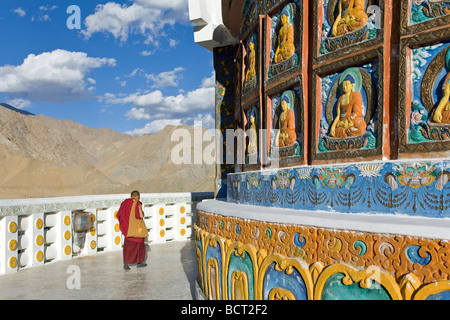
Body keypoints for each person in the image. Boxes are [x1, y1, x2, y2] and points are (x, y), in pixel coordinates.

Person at [117, 190, 147, 270]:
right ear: (137, 196)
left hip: (127, 229)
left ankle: (126, 264)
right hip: (136, 229)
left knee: (128, 246)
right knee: (139, 245)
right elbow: (141, 215)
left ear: (131, 196)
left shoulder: (124, 203)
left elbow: (119, 214)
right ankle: (139, 263)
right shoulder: (138, 203)